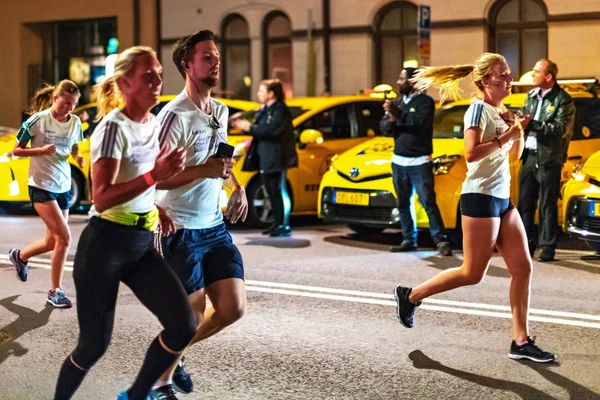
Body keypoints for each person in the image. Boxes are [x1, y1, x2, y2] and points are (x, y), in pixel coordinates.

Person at [54, 46, 197, 400]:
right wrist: (154, 177)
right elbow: (101, 197)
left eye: (160, 75)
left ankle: (136, 395)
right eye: (147, 76)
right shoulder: (112, 129)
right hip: (104, 247)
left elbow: (141, 180)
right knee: (92, 348)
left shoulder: (151, 123)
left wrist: (154, 206)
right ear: (124, 83)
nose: (157, 82)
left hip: (141, 245)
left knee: (183, 327)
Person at [393, 53, 556, 363]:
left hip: (501, 199)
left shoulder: (501, 110)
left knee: (522, 268)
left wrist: (516, 131)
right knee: (472, 273)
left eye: (509, 74)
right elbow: (471, 153)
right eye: (502, 75)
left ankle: (520, 341)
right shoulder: (477, 110)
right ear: (485, 82)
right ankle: (410, 295)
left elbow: (516, 154)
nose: (509, 79)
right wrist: (506, 135)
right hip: (479, 196)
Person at [150, 30, 248, 399]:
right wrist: (204, 172)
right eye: (207, 57)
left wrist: (235, 187)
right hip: (180, 228)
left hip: (214, 227)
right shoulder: (173, 117)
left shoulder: (220, 111)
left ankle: (175, 358)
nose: (216, 61)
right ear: (187, 66)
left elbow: (220, 163)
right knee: (189, 317)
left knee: (232, 308)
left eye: (217, 56)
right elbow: (157, 179)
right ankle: (157, 384)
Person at [9, 80, 85, 308]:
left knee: (52, 241)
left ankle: (20, 256)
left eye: (72, 105)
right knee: (65, 238)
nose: (68, 109)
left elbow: (74, 147)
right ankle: (55, 291)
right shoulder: (38, 121)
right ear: (55, 99)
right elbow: (16, 150)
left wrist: (77, 158)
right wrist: (39, 150)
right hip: (41, 185)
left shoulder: (75, 123)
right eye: (64, 104)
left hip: (63, 186)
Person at [379, 68, 452, 256]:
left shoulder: (425, 102)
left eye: (402, 78)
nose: (397, 81)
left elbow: (420, 124)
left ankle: (441, 240)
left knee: (428, 201)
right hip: (399, 162)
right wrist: (392, 118)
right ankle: (409, 239)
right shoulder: (397, 103)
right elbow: (384, 127)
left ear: (412, 82)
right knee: (403, 203)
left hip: (419, 162)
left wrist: (398, 115)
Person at [518, 59, 575, 262]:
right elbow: (524, 121)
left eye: (536, 72)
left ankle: (547, 247)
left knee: (547, 205)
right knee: (524, 203)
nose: (532, 75)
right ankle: (525, 244)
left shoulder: (563, 99)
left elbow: (560, 129)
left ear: (548, 76)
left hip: (549, 158)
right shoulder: (531, 96)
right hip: (529, 156)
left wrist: (531, 124)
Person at [232, 79, 298, 237]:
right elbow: (260, 129)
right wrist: (245, 127)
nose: (258, 94)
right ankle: (276, 223)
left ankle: (283, 225)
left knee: (277, 190)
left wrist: (249, 127)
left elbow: (271, 130)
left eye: (262, 91)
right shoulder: (266, 109)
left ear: (271, 93)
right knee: (270, 191)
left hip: (276, 157)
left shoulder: (280, 109)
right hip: (265, 156)